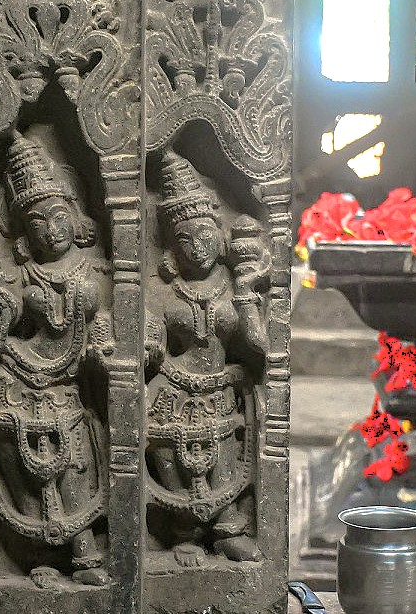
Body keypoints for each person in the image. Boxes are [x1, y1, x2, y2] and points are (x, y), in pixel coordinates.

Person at [0, 131, 109, 588]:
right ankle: (39, 551)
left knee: (77, 457)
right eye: (37, 224)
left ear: (74, 218)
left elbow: (110, 319)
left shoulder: (94, 269)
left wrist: (104, 342)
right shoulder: (22, 276)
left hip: (73, 380)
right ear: (23, 232)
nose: (50, 230)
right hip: (25, 372)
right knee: (21, 454)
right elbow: (4, 326)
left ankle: (83, 547)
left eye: (57, 217)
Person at [145, 150, 268, 566]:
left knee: (226, 460)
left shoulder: (234, 286)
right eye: (183, 241)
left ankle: (229, 528)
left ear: (218, 238)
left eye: (202, 238)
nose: (195, 250)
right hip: (172, 389)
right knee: (173, 459)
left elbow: (260, 347)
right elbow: (151, 341)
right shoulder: (165, 292)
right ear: (171, 249)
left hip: (223, 387)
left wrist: (249, 292)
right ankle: (184, 535)